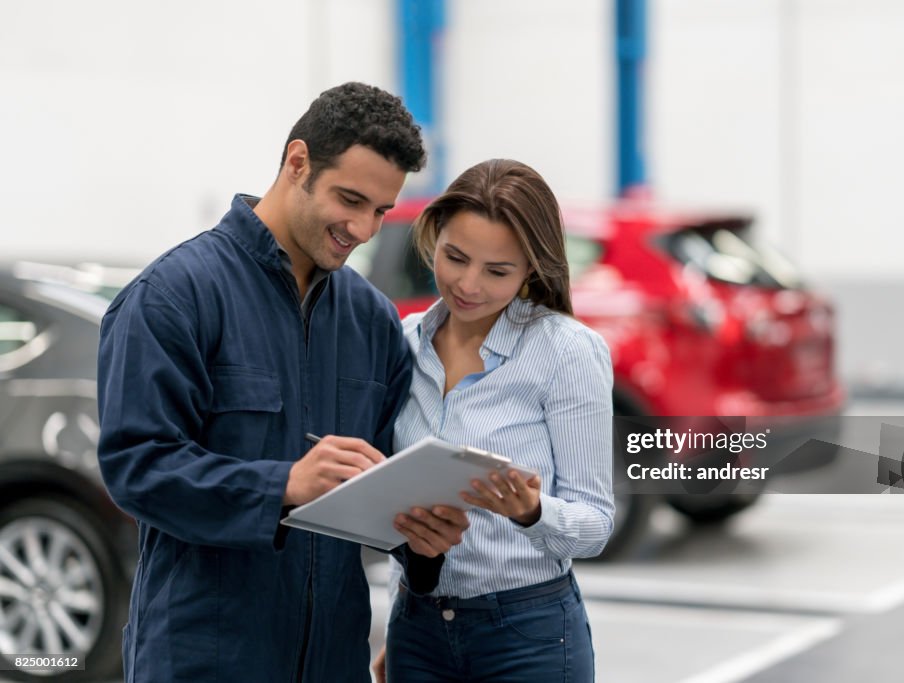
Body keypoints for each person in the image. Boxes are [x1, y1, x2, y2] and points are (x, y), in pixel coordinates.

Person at [97, 82, 468, 682]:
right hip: (204, 659)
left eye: (379, 210)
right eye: (350, 199)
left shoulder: (372, 321)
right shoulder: (173, 297)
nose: (365, 229)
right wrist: (284, 484)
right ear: (297, 163)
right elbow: (138, 468)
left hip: (333, 661)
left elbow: (387, 482)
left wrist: (422, 544)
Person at [374, 159, 615, 682]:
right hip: (418, 630)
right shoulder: (403, 342)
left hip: (527, 634)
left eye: (497, 271)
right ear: (433, 237)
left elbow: (595, 524)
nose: (468, 284)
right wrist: (399, 617)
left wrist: (531, 511)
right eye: (454, 257)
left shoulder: (567, 352)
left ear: (532, 268)